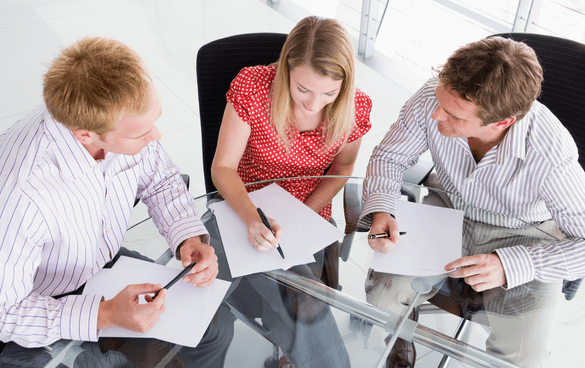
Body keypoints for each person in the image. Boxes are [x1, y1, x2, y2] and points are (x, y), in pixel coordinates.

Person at [0, 36, 233, 367]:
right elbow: (6, 312)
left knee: (216, 328)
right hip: (43, 306)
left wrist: (188, 237)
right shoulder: (20, 193)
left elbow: (162, 178)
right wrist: (105, 313)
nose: (156, 137)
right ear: (86, 135)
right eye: (141, 134)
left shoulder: (115, 117)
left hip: (102, 266)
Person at [359, 36, 585, 368]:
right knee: (382, 296)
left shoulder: (551, 153)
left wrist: (511, 265)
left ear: (502, 122)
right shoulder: (433, 97)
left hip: (524, 233)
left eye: (453, 115)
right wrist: (382, 207)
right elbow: (390, 156)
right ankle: (401, 340)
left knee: (526, 357)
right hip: (446, 208)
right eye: (439, 100)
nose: (436, 115)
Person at [211, 16, 371, 367]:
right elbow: (222, 167)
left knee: (302, 306)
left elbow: (343, 168)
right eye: (303, 89)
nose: (314, 104)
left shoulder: (356, 106)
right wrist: (253, 218)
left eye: (330, 93)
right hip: (245, 202)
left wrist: (304, 213)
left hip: (308, 212)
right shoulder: (253, 87)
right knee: (203, 300)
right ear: (286, 69)